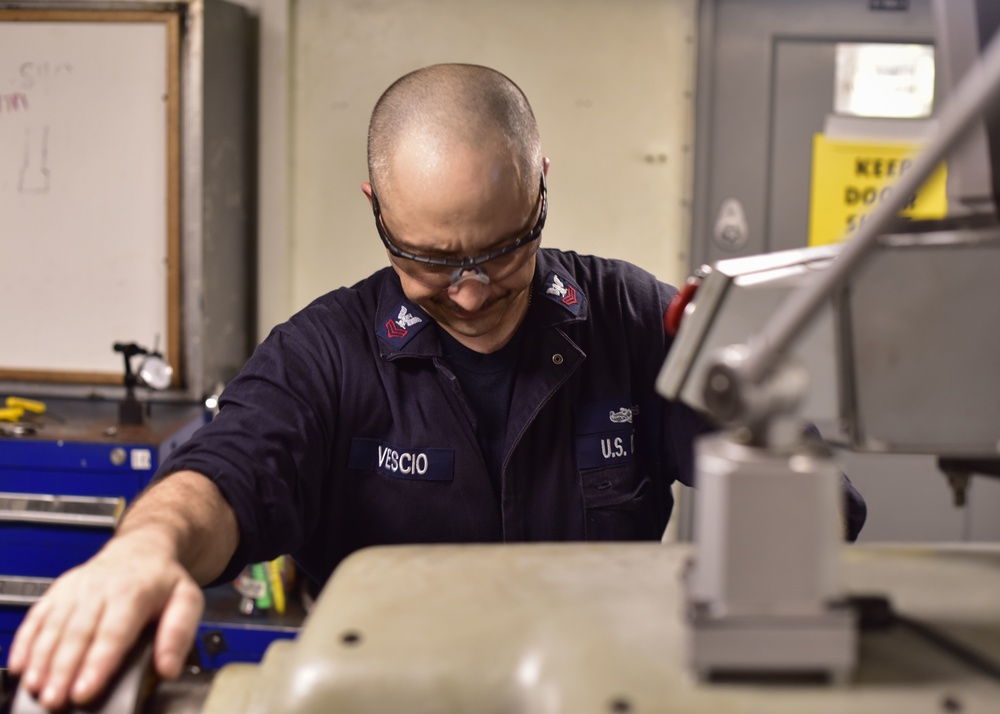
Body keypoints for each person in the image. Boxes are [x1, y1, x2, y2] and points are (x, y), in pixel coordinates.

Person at [8, 64, 866, 710]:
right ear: (377, 207)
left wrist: (785, 527)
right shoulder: (326, 354)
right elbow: (227, 470)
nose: (471, 290)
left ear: (540, 188)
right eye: (428, 259)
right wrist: (146, 549)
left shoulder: (634, 320)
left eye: (503, 250)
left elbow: (806, 485)